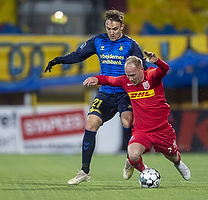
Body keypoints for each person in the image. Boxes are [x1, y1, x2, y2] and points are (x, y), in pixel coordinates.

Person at [45, 10, 147, 185]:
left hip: (125, 94)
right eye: (108, 28)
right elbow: (78, 55)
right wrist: (59, 60)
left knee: (126, 121)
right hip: (105, 93)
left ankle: (130, 158)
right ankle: (84, 171)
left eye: (115, 28)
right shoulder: (98, 41)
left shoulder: (130, 44)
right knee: (91, 124)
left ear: (122, 27)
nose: (112, 32)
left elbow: (143, 68)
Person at [83, 50, 191, 181]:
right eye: (128, 75)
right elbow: (109, 80)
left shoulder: (152, 77)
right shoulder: (125, 82)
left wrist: (157, 61)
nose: (130, 78)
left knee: (172, 155)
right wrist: (96, 79)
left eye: (133, 75)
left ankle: (178, 164)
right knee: (133, 155)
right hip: (142, 131)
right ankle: (146, 172)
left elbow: (165, 69)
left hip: (162, 130)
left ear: (141, 69)